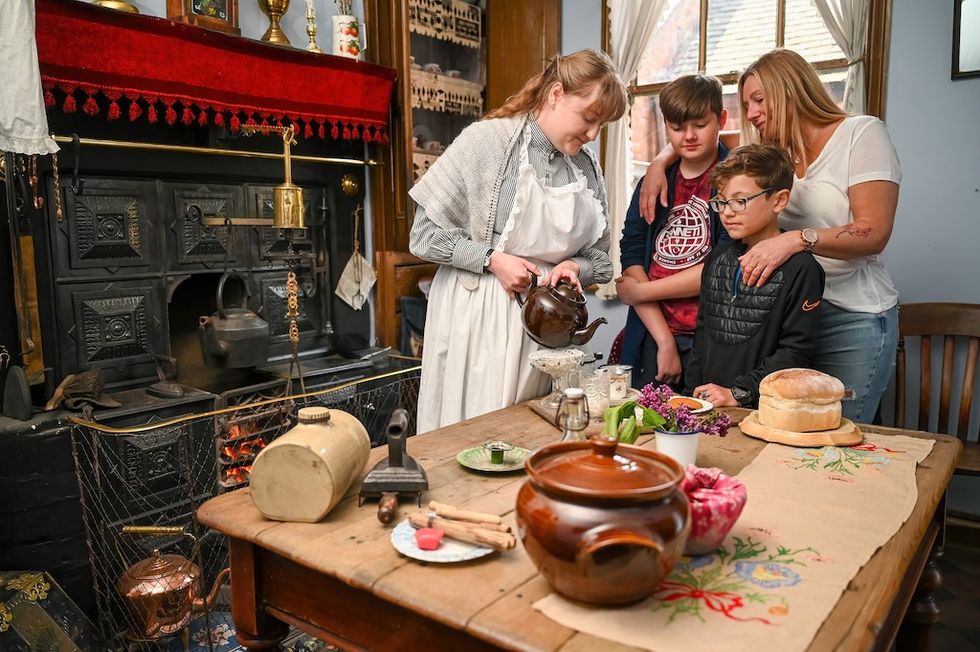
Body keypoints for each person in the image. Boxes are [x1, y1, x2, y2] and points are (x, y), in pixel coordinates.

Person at [637, 49, 901, 422]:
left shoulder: (861, 133)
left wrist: (794, 239)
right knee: (781, 437)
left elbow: (873, 232)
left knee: (838, 435)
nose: (753, 113)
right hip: (785, 313)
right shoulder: (773, 154)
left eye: (760, 100)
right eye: (747, 105)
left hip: (852, 317)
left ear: (791, 89)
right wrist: (658, 163)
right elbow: (700, 138)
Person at [408, 50, 629, 433]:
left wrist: (576, 266)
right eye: (589, 118)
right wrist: (492, 259)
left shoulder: (586, 168)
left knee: (540, 433)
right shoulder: (487, 143)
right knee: (482, 432)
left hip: (552, 324)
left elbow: (603, 261)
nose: (593, 134)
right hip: (482, 315)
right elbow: (423, 236)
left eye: (602, 125)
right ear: (556, 93)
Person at [686, 144, 825, 408]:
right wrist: (690, 394)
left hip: (766, 409)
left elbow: (796, 353)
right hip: (709, 404)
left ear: (779, 200)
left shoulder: (803, 269)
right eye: (721, 201)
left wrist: (739, 392)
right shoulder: (717, 259)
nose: (727, 212)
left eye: (740, 201)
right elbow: (702, 336)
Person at [616, 74, 730, 390]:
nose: (688, 136)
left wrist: (640, 292)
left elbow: (721, 268)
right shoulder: (653, 181)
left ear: (721, 119)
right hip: (653, 333)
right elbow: (632, 252)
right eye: (677, 128)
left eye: (699, 125)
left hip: (711, 338)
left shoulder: (737, 180)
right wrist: (664, 341)